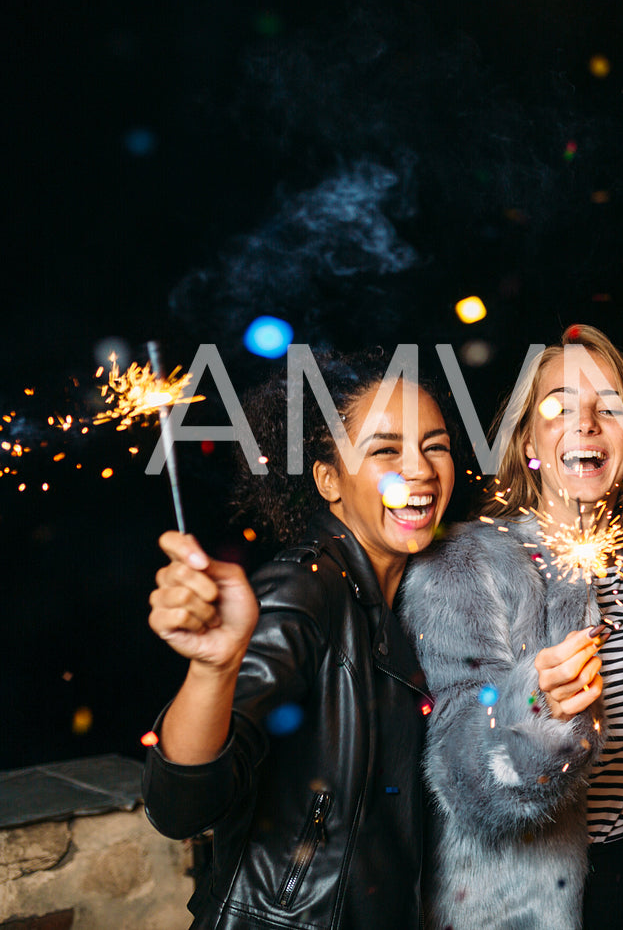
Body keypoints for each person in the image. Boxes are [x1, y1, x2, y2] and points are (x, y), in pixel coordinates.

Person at [141, 352, 456, 929]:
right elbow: (178, 806)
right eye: (386, 450)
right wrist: (212, 669)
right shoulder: (301, 590)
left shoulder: (422, 602)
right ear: (329, 480)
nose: (421, 470)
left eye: (435, 445)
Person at [400, 325, 623, 930]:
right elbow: (460, 781)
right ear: (526, 433)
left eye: (609, 408)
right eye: (559, 406)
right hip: (531, 909)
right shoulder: (464, 566)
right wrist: (541, 715)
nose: (587, 423)